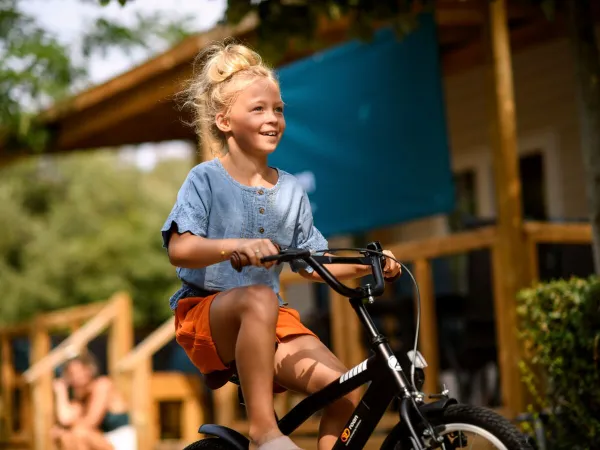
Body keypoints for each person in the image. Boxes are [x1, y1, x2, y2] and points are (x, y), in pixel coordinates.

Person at [162, 39, 401, 450]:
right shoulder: (205, 179)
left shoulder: (290, 190)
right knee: (257, 297)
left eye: (278, 109)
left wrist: (368, 263)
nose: (273, 118)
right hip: (207, 310)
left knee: (344, 392)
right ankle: (263, 431)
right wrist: (235, 245)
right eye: (258, 109)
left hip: (271, 317)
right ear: (223, 120)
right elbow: (179, 249)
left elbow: (313, 263)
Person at [52, 352, 136, 450]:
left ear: (89, 370)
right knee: (64, 436)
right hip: (101, 440)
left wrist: (70, 428)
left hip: (120, 441)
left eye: (78, 372)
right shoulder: (80, 397)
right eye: (70, 374)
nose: (75, 377)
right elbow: (65, 419)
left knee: (79, 433)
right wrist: (61, 394)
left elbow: (91, 422)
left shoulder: (103, 385)